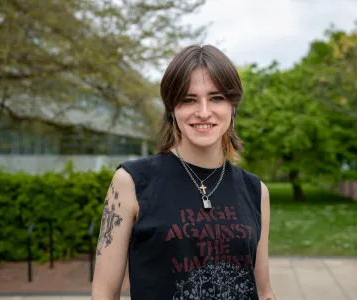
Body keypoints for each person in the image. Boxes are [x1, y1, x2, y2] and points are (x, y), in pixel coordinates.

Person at [91, 44, 276, 300]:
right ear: (171, 109)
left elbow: (264, 291)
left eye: (217, 98)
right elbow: (104, 293)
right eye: (189, 100)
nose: (203, 112)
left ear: (232, 106)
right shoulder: (132, 182)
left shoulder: (256, 191)